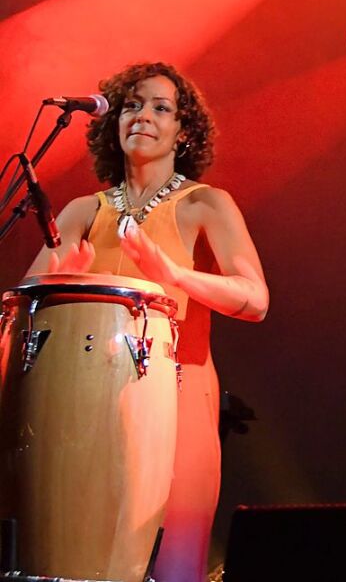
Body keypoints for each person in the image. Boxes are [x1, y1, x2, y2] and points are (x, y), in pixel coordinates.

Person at [25, 61, 269, 582]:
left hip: (179, 394)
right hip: (78, 403)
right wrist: (54, 283)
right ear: (112, 124)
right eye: (132, 105)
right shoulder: (81, 210)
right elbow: (21, 310)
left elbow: (255, 298)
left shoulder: (206, 204)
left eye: (161, 107)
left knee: (174, 566)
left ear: (184, 132)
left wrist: (173, 274)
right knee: (76, 560)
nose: (142, 116)